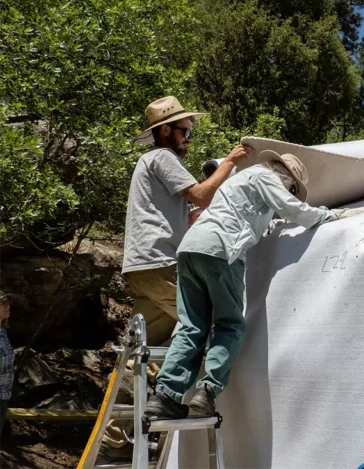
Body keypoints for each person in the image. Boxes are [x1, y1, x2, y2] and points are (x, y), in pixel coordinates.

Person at [102, 97, 251, 459]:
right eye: (184, 130)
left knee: (140, 351)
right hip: (162, 263)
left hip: (142, 268)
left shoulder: (150, 165)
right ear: (164, 131)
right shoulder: (162, 158)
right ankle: (169, 399)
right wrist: (230, 163)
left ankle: (114, 438)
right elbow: (200, 192)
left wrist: (201, 216)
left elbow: (179, 213)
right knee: (204, 327)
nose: (188, 137)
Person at [145, 151, 339, 419]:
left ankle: (165, 395)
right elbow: (296, 211)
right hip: (221, 250)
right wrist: (328, 216)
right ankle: (208, 392)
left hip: (190, 249)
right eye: (293, 189)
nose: (292, 194)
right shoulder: (265, 177)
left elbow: (253, 221)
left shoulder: (241, 182)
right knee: (230, 324)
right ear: (286, 179)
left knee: (193, 326)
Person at [0, 291, 13, 439]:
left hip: (3, 395)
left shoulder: (3, 331)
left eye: (8, 302)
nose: (7, 306)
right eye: (3, 303)